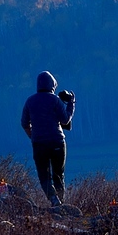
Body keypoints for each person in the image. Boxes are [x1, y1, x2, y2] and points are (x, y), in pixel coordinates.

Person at [20, 71, 75, 206]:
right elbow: (65, 119)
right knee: (58, 175)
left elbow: (24, 123)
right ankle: (61, 203)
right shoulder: (55, 100)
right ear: (52, 85)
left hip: (39, 144)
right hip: (57, 142)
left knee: (44, 176)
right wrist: (71, 103)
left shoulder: (30, 101)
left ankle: (53, 199)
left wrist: (33, 136)